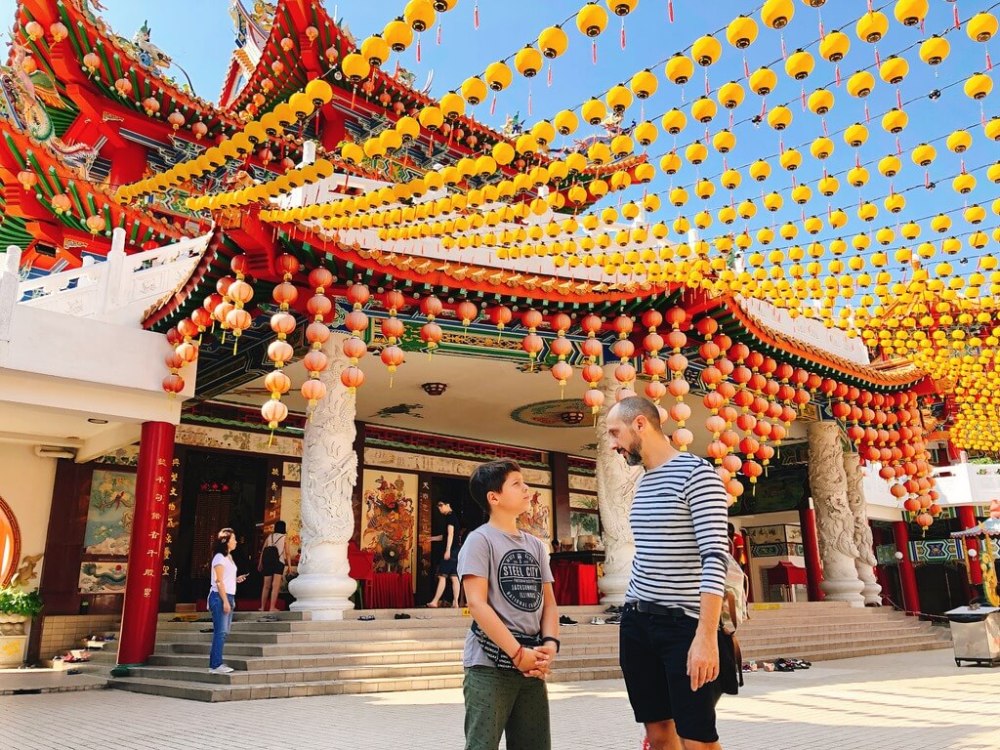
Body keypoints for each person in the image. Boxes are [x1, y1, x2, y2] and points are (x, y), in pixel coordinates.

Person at [606, 397, 732, 750]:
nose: (613, 444)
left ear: (641, 425)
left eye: (616, 433)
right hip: (637, 623)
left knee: (697, 739)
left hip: (683, 625)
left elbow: (714, 557)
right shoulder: (643, 482)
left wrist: (705, 637)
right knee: (658, 734)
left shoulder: (697, 474)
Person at [458, 460, 560, 750]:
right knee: (482, 745)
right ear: (494, 497)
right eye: (516, 483)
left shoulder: (536, 545)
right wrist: (516, 653)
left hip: (531, 664)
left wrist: (550, 645)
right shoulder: (479, 541)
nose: (526, 488)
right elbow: (477, 604)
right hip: (490, 664)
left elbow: (549, 604)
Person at [208, 527, 247, 674]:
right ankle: (215, 665)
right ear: (226, 541)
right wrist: (225, 601)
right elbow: (218, 581)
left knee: (223, 632)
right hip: (219, 597)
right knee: (220, 632)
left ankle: (216, 663)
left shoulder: (228, 557)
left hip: (228, 595)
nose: (236, 542)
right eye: (233, 539)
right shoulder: (219, 557)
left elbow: (224, 578)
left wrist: (236, 579)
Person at [427, 501, 461, 608]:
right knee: (454, 577)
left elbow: (450, 534)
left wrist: (448, 550)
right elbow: (445, 536)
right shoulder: (453, 517)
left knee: (442, 576)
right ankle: (455, 602)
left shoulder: (450, 517)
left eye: (441, 506)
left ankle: (435, 601)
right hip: (456, 550)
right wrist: (431, 539)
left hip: (451, 550)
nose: (440, 509)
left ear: (447, 505)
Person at [257, 520, 288, 612]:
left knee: (266, 585)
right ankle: (272, 607)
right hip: (279, 562)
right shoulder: (284, 537)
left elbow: (263, 550)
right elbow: (288, 553)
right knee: (275, 586)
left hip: (267, 562)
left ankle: (262, 607)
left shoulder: (269, 537)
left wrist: (260, 563)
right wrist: (289, 567)